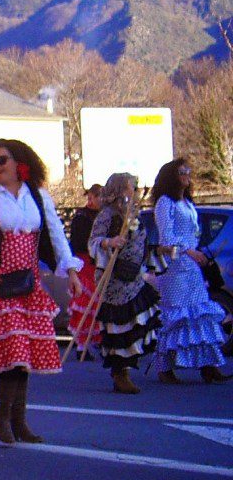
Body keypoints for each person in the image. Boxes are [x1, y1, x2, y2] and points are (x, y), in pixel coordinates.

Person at [0, 139, 82, 444]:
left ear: (19, 163)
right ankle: (4, 418)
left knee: (23, 355)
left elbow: (55, 234)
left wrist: (72, 271)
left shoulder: (37, 196)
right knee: (14, 352)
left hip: (28, 285)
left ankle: (19, 420)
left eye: (2, 160)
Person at [150, 159, 230, 384]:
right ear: (171, 176)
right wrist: (189, 252)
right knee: (176, 316)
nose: (187, 175)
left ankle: (208, 365)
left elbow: (192, 232)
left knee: (200, 315)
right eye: (182, 172)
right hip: (176, 266)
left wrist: (197, 253)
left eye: (188, 171)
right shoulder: (166, 203)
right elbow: (167, 236)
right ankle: (165, 367)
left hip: (192, 266)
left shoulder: (186, 202)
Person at [88, 173, 161, 393]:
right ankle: (120, 373)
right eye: (132, 186)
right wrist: (109, 241)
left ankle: (126, 369)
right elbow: (93, 241)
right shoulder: (107, 214)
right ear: (120, 189)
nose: (136, 190)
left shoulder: (132, 213)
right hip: (116, 279)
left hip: (133, 277)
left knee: (136, 322)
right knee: (120, 327)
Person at [67, 184, 103, 359]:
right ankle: (82, 345)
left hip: (97, 263)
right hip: (85, 263)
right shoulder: (81, 217)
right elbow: (78, 242)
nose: (91, 201)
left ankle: (97, 341)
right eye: (89, 197)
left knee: (98, 305)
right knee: (85, 304)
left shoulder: (104, 216)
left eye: (94, 197)